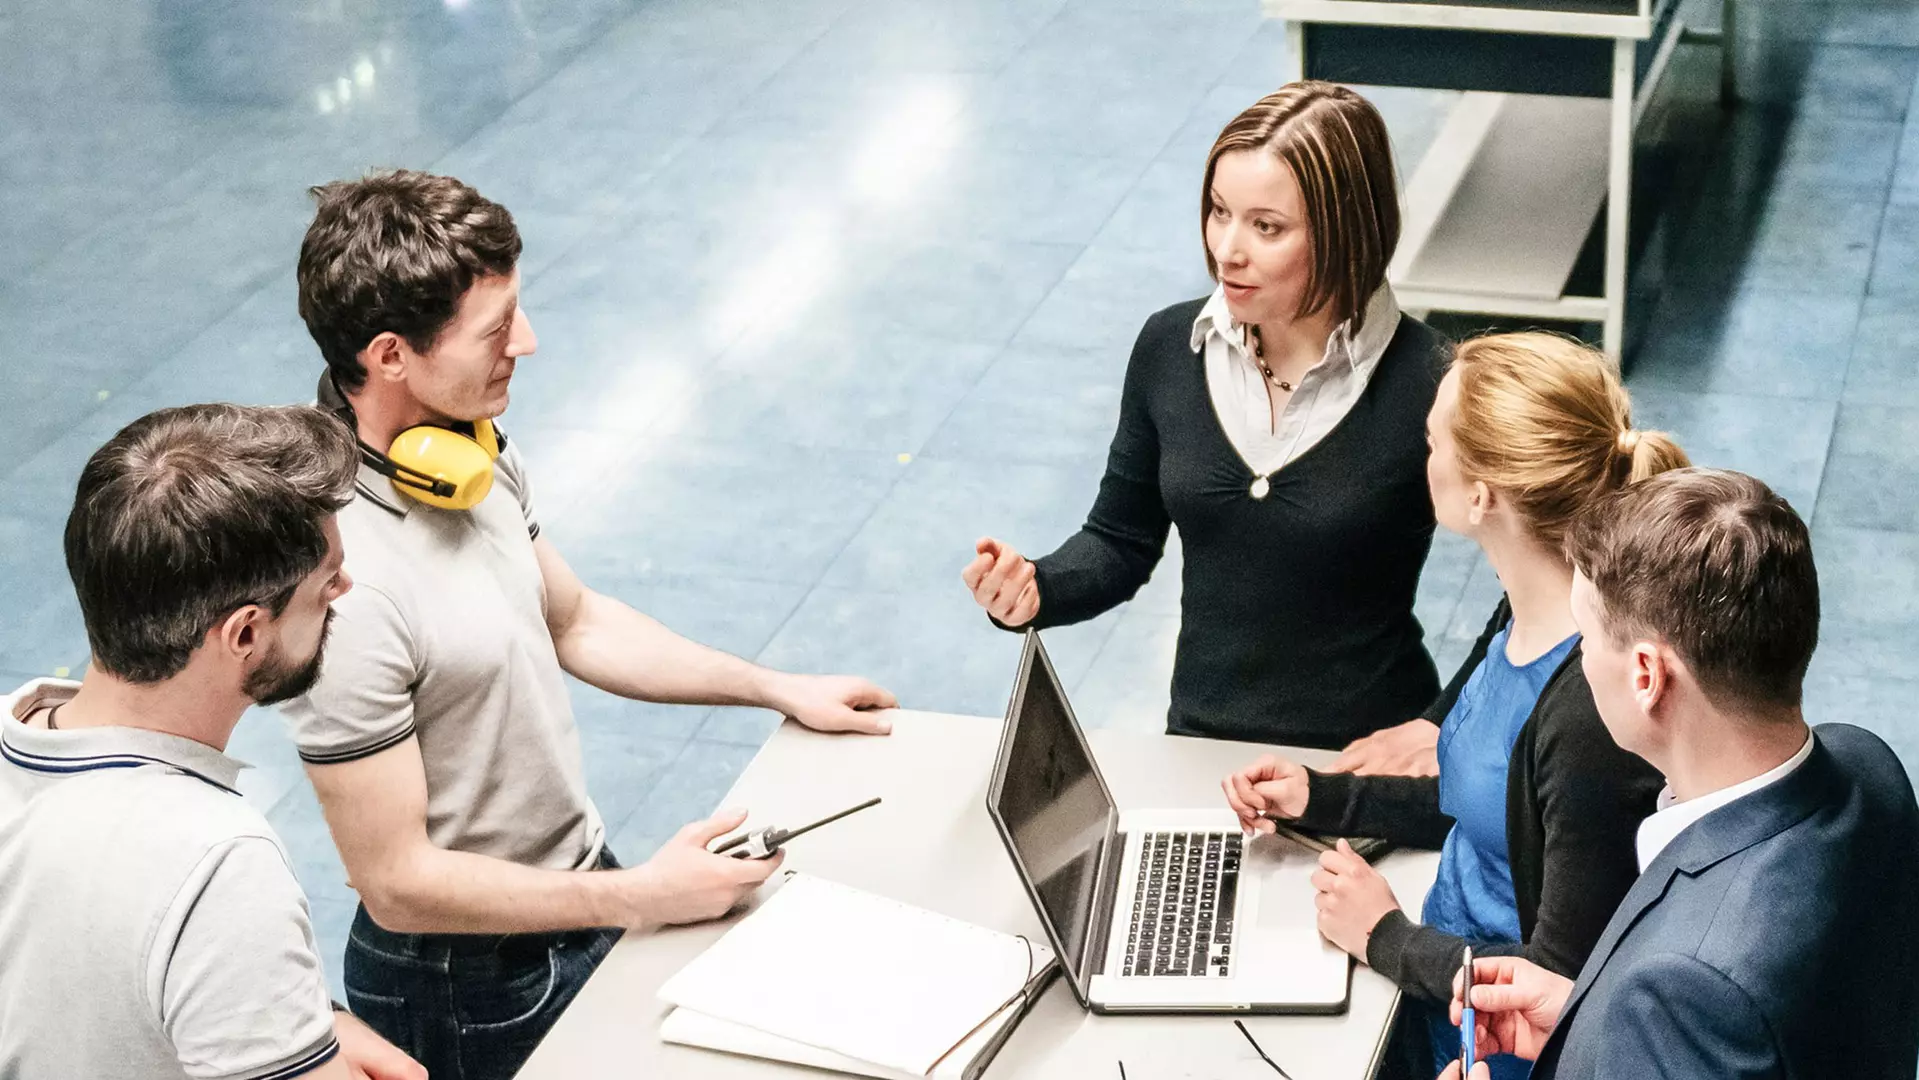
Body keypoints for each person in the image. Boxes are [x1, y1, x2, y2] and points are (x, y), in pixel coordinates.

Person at [281, 170, 900, 1080]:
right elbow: (398, 884)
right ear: (389, 356)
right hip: (465, 981)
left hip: (576, 887)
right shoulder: (343, 583)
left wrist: (772, 687)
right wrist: (640, 896)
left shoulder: (468, 452)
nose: (525, 345)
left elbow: (573, 620)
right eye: (495, 330)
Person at [1222, 333, 1675, 1078]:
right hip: (1432, 981)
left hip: (1486, 1041)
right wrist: (1324, 798)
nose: (1417, 458)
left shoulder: (1589, 715)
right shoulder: (1525, 610)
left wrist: (1383, 935)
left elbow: (1557, 979)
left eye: (1431, 442)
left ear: (1480, 495)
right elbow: (1491, 806)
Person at [962, 81, 1448, 752]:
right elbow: (1119, 541)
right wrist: (1035, 589)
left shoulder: (1435, 385)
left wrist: (1437, 728)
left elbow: (1541, 604)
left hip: (1360, 765)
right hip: (1200, 751)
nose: (1227, 249)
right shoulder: (1169, 347)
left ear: (1344, 231)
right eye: (1219, 212)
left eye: (1266, 226)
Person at [1438, 469, 1919, 1080]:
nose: (1579, 660)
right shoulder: (1867, 764)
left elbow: (1712, 995)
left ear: (1647, 675)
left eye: (1584, 637)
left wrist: (1644, 1029)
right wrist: (1593, 1026)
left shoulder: (1681, 989)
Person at [0, 404, 423, 1080]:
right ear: (245, 634)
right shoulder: (216, 863)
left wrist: (299, 1019)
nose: (344, 588)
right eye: (325, 581)